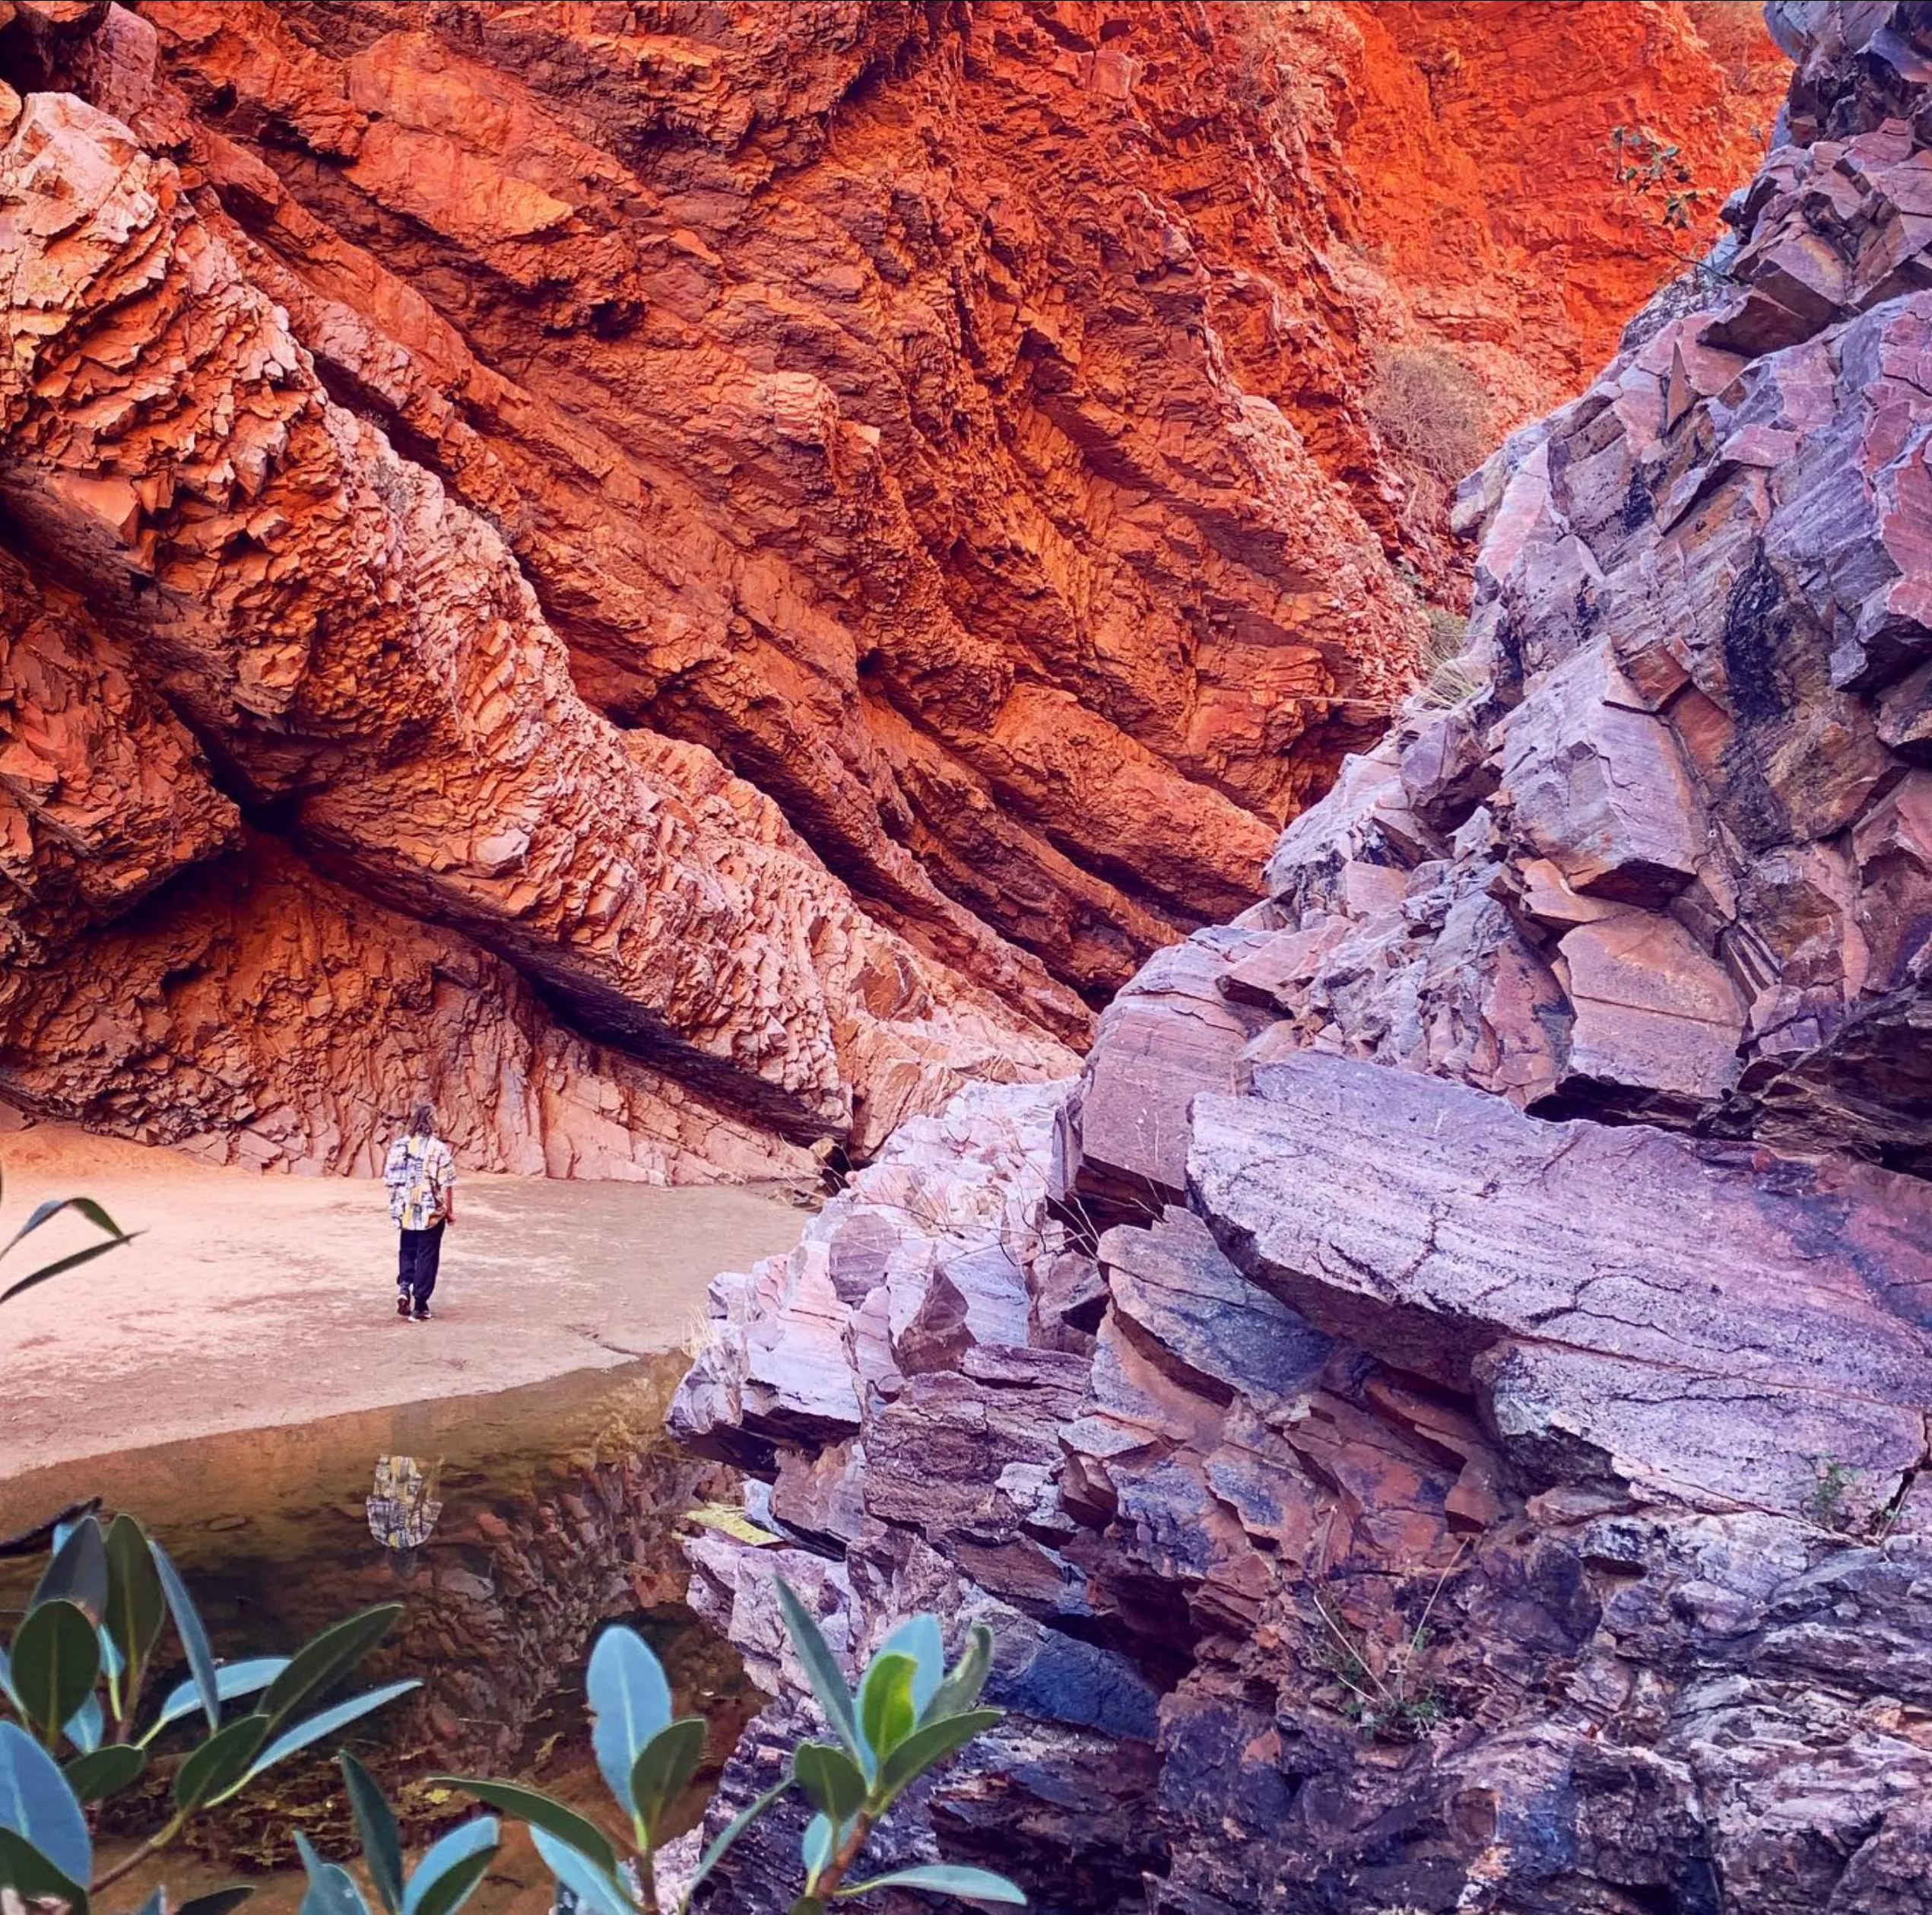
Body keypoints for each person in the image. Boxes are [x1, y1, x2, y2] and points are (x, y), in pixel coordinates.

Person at [383, 1102, 456, 1321]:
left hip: (405, 1209)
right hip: (430, 1212)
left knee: (407, 1249)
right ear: (432, 1122)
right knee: (427, 1255)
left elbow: (389, 1180)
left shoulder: (399, 1146)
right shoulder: (438, 1148)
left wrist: (399, 1204)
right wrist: (450, 1212)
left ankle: (404, 1287)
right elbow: (447, 1183)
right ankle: (420, 1305)